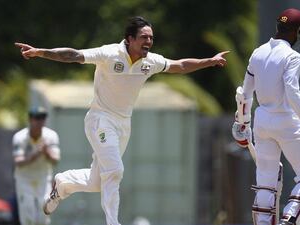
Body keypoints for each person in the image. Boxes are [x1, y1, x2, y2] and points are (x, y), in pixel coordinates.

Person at [15, 16, 229, 225]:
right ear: (130, 39)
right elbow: (73, 55)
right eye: (144, 37)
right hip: (100, 119)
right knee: (115, 170)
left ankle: (62, 184)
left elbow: (180, 66)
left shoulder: (150, 62)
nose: (149, 42)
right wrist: (40, 52)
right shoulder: (109, 53)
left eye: (151, 38)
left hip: (123, 124)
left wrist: (209, 61)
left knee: (97, 181)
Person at [231, 8, 300, 225]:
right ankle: (289, 220)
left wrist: (241, 124)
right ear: (297, 32)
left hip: (262, 121)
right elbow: (292, 91)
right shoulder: (292, 56)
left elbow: (244, 93)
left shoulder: (258, 53)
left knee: (266, 180)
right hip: (286, 121)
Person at [12, 107, 61, 225]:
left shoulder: (51, 136)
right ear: (30, 119)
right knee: (27, 213)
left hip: (43, 177)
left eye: (43, 118)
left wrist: (46, 152)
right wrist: (35, 155)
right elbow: (18, 161)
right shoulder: (20, 137)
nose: (40, 121)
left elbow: (55, 160)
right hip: (25, 179)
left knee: (44, 212)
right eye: (37, 118)